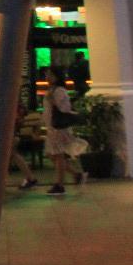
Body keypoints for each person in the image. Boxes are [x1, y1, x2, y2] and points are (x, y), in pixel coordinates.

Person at [43, 65, 87, 195]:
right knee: (53, 155)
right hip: (52, 127)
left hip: (58, 128)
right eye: (47, 74)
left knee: (58, 155)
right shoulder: (52, 90)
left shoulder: (59, 90)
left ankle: (59, 184)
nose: (47, 77)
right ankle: (76, 175)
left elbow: (65, 108)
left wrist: (53, 102)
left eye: (50, 74)